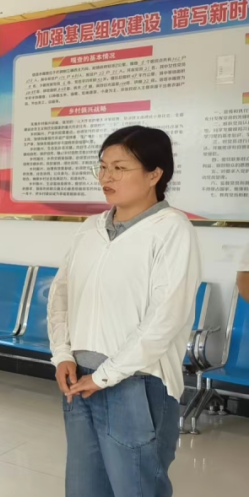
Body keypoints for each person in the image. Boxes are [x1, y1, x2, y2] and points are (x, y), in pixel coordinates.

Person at [48, 125, 201, 497]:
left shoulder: (171, 230)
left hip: (138, 383)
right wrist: (62, 354)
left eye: (119, 168)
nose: (107, 177)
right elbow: (61, 294)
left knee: (136, 488)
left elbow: (166, 317)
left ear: (154, 174)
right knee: (84, 488)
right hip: (80, 379)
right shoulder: (90, 228)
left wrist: (107, 375)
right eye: (103, 167)